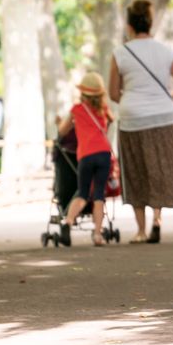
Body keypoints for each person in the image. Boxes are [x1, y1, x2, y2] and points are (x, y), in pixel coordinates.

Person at [109, 0, 173, 244]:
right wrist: (170, 98)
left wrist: (132, 100)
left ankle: (141, 230)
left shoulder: (120, 53)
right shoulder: (165, 51)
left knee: (136, 172)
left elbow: (113, 93)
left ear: (129, 26)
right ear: (150, 23)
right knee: (160, 168)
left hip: (132, 120)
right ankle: (157, 218)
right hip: (164, 117)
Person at [56, 73, 116, 247]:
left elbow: (62, 130)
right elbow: (111, 120)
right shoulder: (103, 108)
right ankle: (97, 235)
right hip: (103, 154)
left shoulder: (77, 109)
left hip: (86, 155)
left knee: (82, 193)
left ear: (83, 92)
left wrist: (61, 123)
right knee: (99, 195)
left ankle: (68, 223)